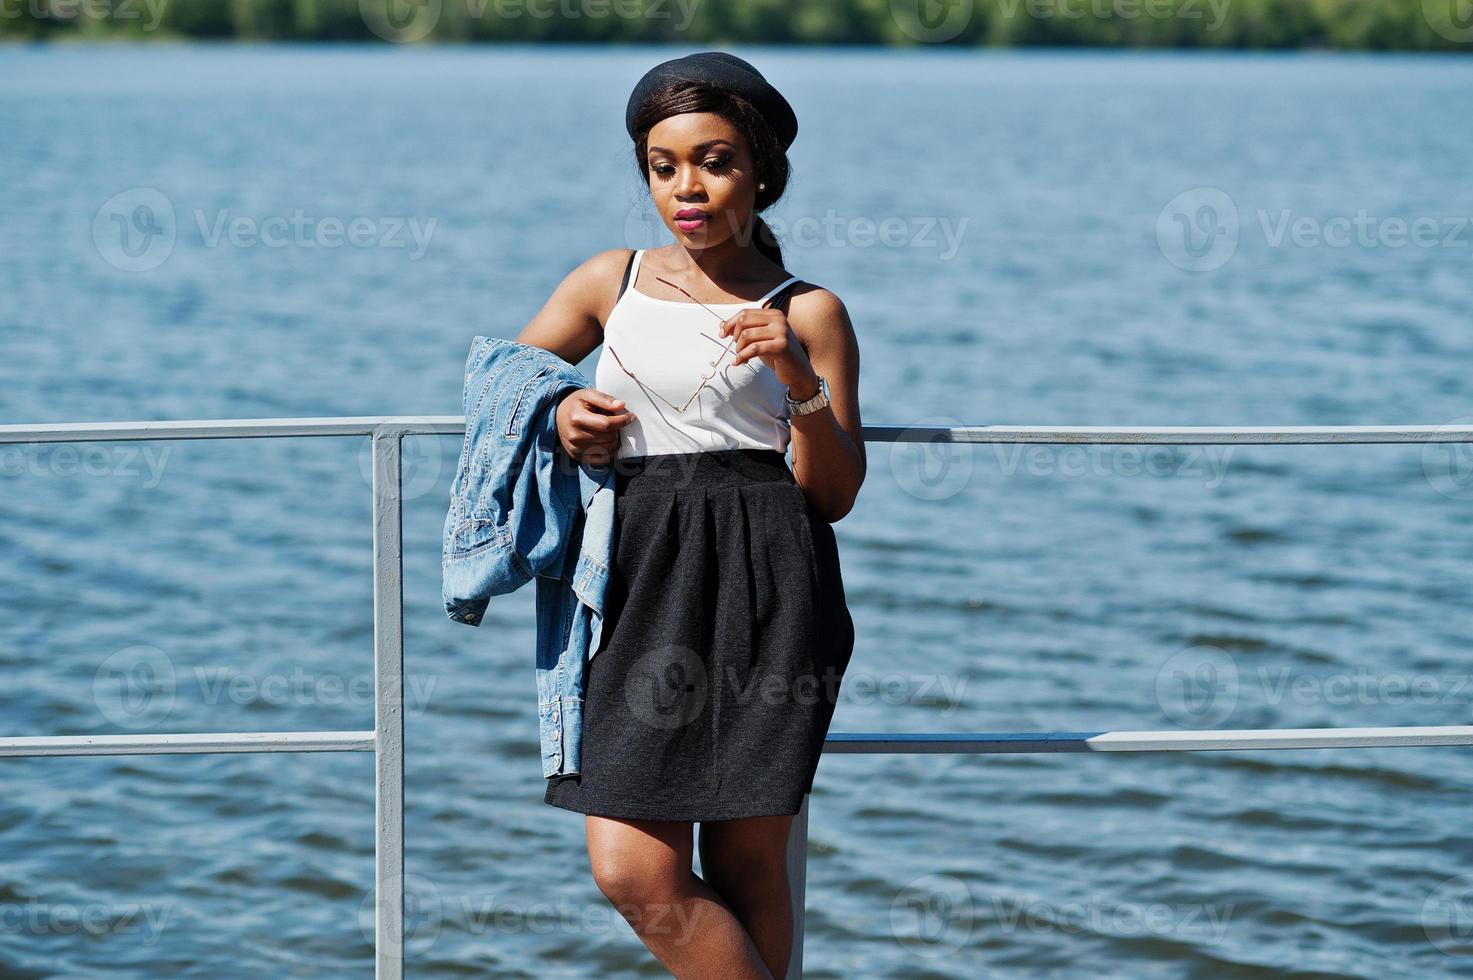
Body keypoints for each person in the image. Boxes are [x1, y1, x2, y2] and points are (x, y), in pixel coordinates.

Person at [514, 51, 864, 980]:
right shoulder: (609, 281)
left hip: (773, 588)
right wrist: (557, 412)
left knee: (748, 861)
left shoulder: (810, 309)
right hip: (638, 581)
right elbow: (504, 379)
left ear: (760, 172)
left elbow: (831, 494)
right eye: (663, 167)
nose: (687, 188)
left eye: (713, 161)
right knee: (634, 869)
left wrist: (799, 382)